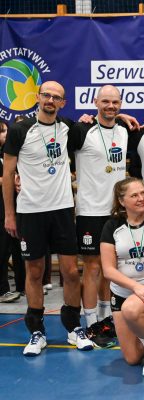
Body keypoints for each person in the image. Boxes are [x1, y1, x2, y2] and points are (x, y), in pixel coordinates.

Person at [2, 81, 95, 355]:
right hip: (30, 211)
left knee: (70, 272)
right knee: (34, 272)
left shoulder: (67, 127)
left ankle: (73, 327)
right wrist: (9, 214)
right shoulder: (20, 130)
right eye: (46, 95)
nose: (50, 100)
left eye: (56, 97)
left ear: (63, 103)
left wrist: (120, 115)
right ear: (38, 97)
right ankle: (37, 331)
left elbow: (102, 121)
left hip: (62, 209)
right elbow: (8, 174)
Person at [68, 85, 130, 348]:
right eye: (105, 101)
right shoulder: (82, 130)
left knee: (109, 269)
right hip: (90, 210)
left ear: (120, 104)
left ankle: (106, 321)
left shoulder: (124, 130)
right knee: (93, 268)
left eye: (115, 102)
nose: (110, 106)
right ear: (95, 102)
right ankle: (91, 323)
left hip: (116, 211)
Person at [100, 178, 144, 375]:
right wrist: (135, 287)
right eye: (135, 195)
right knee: (132, 358)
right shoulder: (112, 226)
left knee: (132, 308)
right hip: (123, 293)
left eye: (143, 193)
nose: (141, 198)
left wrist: (142, 288)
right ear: (122, 201)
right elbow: (108, 270)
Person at [0, 118, 25, 303]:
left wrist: (17, 179)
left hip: (14, 206)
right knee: (2, 250)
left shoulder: (8, 153)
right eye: (2, 131)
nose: (6, 134)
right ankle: (2, 290)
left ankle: (22, 286)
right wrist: (7, 179)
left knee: (18, 248)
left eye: (7, 131)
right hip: (1, 210)